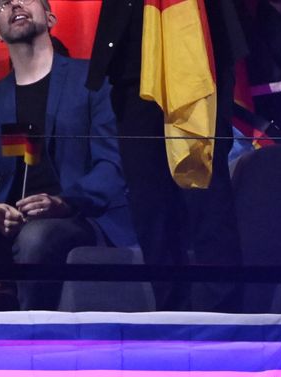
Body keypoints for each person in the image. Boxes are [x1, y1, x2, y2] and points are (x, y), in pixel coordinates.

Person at [0, 0, 131, 311]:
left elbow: (111, 165)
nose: (14, 3)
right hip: (9, 224)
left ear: (50, 18)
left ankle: (30, 331)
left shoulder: (91, 82)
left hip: (75, 216)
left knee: (36, 236)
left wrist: (63, 202)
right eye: (3, 3)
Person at [87, 0, 247, 311]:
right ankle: (170, 310)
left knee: (205, 191)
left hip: (198, 56)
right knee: (150, 202)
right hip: (133, 66)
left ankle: (223, 313)